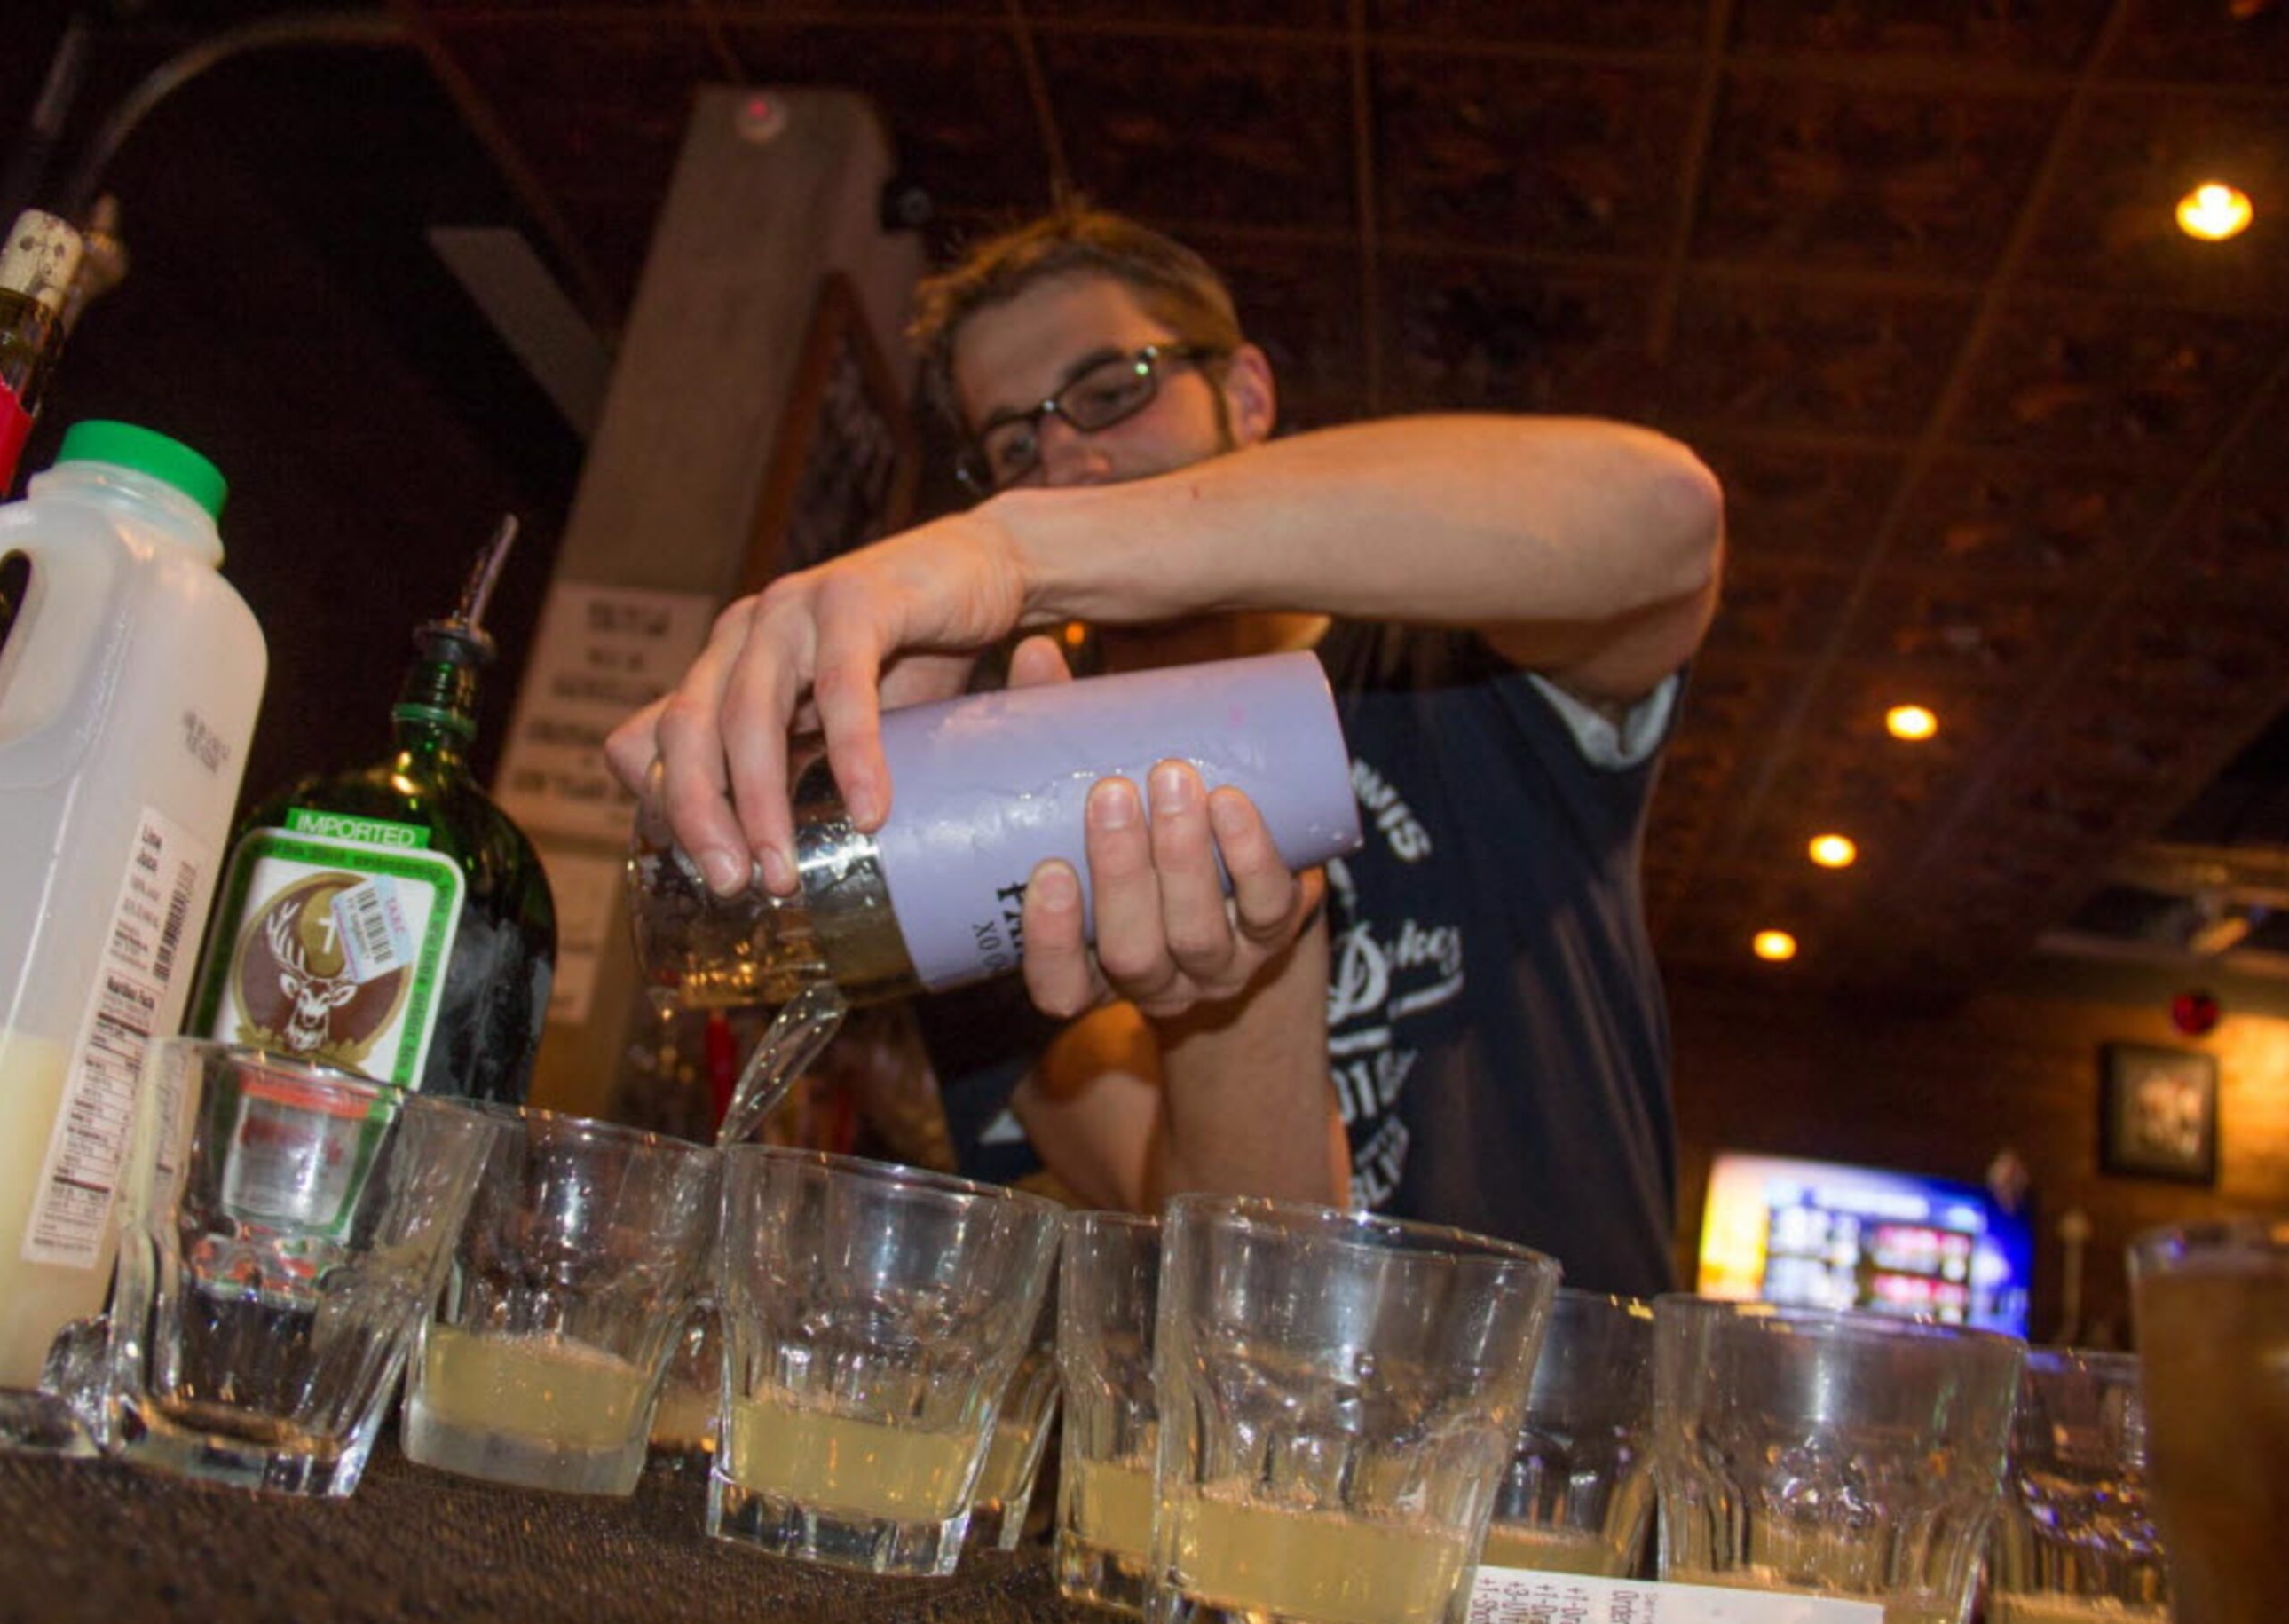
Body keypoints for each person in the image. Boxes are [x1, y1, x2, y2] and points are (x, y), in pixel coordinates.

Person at [604, 206, 1722, 1297]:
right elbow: (1246, 1279)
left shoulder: (1456, 657)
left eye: (1108, 392)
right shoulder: (987, 825)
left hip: (1593, 1441)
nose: (1064, 458)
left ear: (1244, 393)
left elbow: (1664, 516)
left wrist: (1018, 548)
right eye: (1013, 444)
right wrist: (1228, 989)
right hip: (1277, 1462)